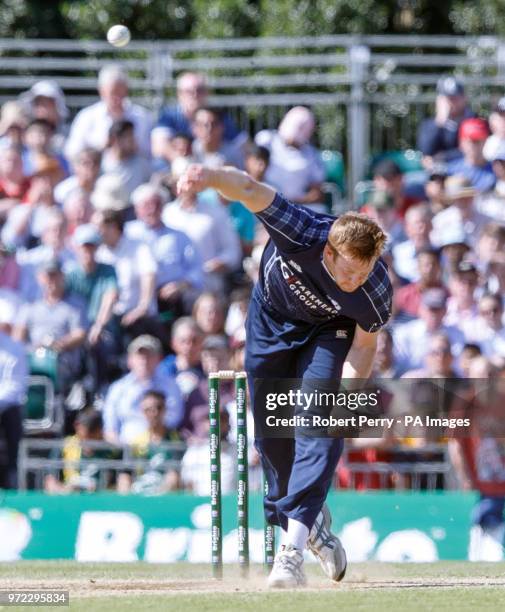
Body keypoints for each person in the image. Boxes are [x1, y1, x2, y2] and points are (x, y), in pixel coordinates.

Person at [177, 163, 393, 587]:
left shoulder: (375, 291)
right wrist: (207, 177)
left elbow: (364, 348)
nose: (353, 282)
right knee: (273, 442)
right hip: (270, 322)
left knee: (317, 425)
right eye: (347, 271)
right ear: (328, 252)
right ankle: (313, 524)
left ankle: (290, 554)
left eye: (362, 273)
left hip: (328, 335)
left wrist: (343, 400)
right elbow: (247, 187)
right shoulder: (303, 231)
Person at [102, 334, 183, 444]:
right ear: (129, 360)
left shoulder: (171, 385)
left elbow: (174, 418)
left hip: (160, 446)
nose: (144, 360)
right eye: (140, 355)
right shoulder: (118, 388)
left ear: (159, 359)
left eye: (149, 355)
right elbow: (110, 426)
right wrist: (117, 446)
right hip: (126, 449)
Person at [65, 64, 152, 160]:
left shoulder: (141, 116)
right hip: (97, 173)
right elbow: (71, 151)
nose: (117, 98)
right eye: (112, 93)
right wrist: (100, 147)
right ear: (101, 91)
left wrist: (134, 146)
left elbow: (152, 153)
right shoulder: (86, 117)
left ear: (126, 90)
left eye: (120, 92)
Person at [255, 106, 326, 211]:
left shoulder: (311, 155)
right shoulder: (266, 140)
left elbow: (317, 194)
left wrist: (290, 203)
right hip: (264, 201)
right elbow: (254, 170)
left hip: (296, 207)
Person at [0, 299, 27, 489]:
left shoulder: (14, 348)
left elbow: (15, 386)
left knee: (11, 416)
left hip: (7, 408)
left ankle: (10, 480)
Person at [417, 76, 474, 163]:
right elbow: (426, 153)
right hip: (439, 173)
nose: (451, 102)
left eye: (455, 98)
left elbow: (471, 151)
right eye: (448, 98)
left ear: (464, 98)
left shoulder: (474, 121)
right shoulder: (430, 125)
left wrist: (442, 157)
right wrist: (440, 120)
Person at [446, 118, 495, 193]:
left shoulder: (497, 170)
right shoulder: (451, 171)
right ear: (461, 143)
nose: (473, 146)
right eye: (470, 141)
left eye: (477, 141)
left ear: (485, 141)